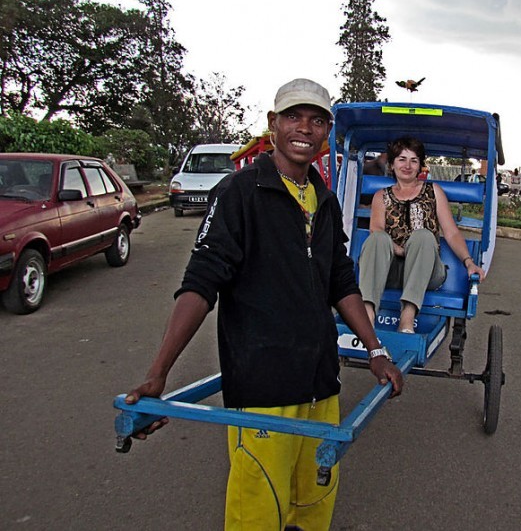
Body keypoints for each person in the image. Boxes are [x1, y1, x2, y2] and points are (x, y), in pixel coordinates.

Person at [124, 78, 403, 531]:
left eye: (317, 121)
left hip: (321, 383)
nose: (305, 129)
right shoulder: (239, 193)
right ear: (273, 123)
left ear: (327, 132)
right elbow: (201, 284)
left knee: (313, 505)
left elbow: (340, 281)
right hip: (263, 389)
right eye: (293, 117)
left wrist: (375, 351)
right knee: (258, 510)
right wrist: (159, 373)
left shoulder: (324, 200)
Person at [358, 136, 485, 333]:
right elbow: (376, 229)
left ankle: (407, 319)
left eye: (413, 160)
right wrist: (399, 250)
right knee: (377, 238)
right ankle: (367, 316)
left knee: (423, 236)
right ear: (392, 164)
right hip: (391, 269)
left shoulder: (434, 191)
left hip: (427, 269)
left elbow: (451, 232)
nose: (407, 166)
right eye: (402, 159)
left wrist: (468, 262)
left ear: (420, 166)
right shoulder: (381, 196)